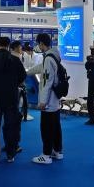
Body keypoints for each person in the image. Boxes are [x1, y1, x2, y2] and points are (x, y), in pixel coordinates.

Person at [26, 33, 63, 165]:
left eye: (38, 44)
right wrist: (27, 72)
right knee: (56, 126)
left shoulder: (48, 59)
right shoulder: (53, 55)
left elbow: (47, 81)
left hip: (49, 101)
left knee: (46, 128)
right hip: (55, 100)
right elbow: (41, 68)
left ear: (42, 44)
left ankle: (46, 155)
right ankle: (57, 151)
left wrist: (42, 101)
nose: (37, 46)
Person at [0, 37, 26, 164]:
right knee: (11, 126)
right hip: (11, 96)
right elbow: (22, 76)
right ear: (8, 46)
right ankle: (10, 154)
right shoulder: (15, 59)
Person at [10, 41, 29, 122]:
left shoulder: (18, 56)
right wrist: (20, 82)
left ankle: (20, 115)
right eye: (20, 47)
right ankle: (18, 116)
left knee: (21, 101)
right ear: (16, 48)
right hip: (17, 84)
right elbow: (21, 72)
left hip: (17, 83)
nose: (21, 48)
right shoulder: (15, 57)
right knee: (18, 101)